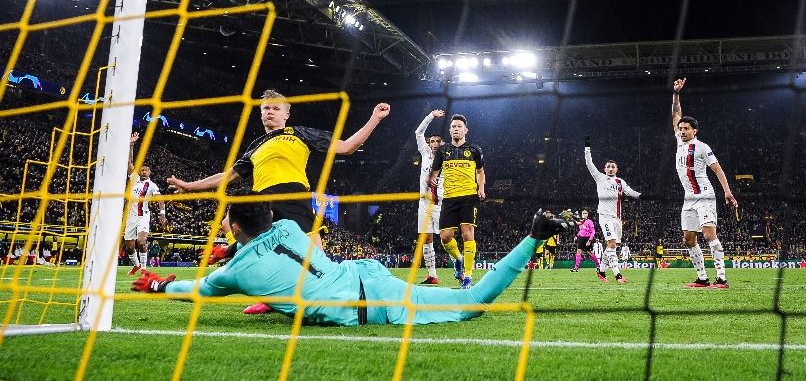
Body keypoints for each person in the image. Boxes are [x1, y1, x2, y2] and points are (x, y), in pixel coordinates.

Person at [131, 194, 578, 326]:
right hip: (370, 277)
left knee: (470, 307)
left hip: (368, 306)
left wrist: (157, 285)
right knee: (467, 299)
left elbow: (195, 289)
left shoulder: (233, 274)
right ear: (269, 216)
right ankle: (534, 235)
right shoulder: (289, 228)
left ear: (231, 228)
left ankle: (533, 237)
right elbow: (278, 246)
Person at [167, 90, 390, 313]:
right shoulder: (255, 146)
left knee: (318, 261)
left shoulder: (300, 133)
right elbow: (227, 177)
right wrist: (189, 186)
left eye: (275, 108)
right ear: (261, 114)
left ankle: (348, 295)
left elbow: (346, 147)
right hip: (263, 203)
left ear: (286, 114)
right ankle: (268, 294)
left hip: (294, 198)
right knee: (230, 222)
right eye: (266, 109)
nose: (270, 112)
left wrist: (374, 119)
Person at [671, 78, 737, 288]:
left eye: (686, 129)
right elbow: (675, 114)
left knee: (709, 235)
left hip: (705, 195)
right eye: (681, 128)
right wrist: (676, 94)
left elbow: (717, 169)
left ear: (695, 131)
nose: (682, 131)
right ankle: (702, 278)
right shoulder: (679, 142)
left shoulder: (701, 147)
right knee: (689, 240)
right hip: (688, 198)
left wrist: (727, 192)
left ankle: (722, 279)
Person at [427, 114, 485, 289]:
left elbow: (481, 172)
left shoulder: (475, 150)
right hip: (449, 198)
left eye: (459, 126)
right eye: (453, 126)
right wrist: (432, 182)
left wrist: (481, 188)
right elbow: (434, 174)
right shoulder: (443, 152)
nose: (456, 129)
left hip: (469, 197)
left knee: (468, 234)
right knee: (445, 238)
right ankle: (458, 260)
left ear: (465, 130)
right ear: (450, 130)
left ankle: (467, 276)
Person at [584, 137, 641, 284]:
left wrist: (642, 196)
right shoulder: (600, 178)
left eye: (612, 167)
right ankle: (618, 275)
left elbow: (630, 191)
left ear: (616, 169)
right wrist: (587, 147)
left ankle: (601, 271)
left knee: (611, 246)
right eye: (608, 166)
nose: (610, 168)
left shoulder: (620, 182)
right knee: (612, 244)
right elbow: (589, 164)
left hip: (617, 218)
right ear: (604, 168)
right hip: (604, 216)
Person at [124, 132, 168, 276]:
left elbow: (160, 199)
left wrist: (162, 214)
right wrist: (131, 145)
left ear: (150, 172)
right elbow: (129, 163)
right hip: (130, 216)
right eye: (142, 169)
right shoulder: (134, 178)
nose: (143, 172)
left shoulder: (152, 186)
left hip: (143, 216)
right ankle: (136, 265)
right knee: (129, 247)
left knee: (141, 242)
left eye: (146, 170)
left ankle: (143, 268)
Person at [414, 109, 445, 285]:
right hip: (424, 203)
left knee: (447, 238)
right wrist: (431, 116)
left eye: (437, 141)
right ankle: (432, 275)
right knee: (426, 238)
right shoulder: (425, 154)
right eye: (432, 141)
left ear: (443, 143)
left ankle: (461, 268)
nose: (434, 143)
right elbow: (418, 132)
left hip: (440, 204)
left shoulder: (447, 160)